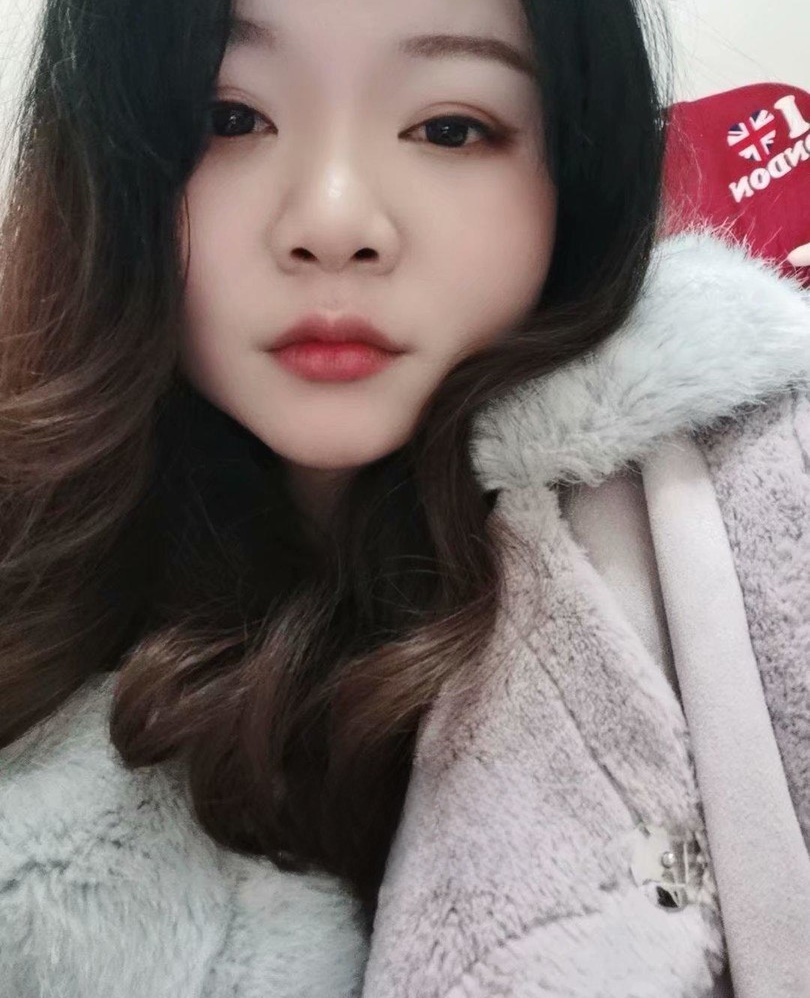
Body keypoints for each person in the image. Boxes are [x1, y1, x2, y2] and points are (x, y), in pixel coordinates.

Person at [0, 0, 807, 995]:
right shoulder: (34, 581)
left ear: (576, 165)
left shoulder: (750, 497)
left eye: (450, 128)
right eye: (228, 118)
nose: (334, 223)